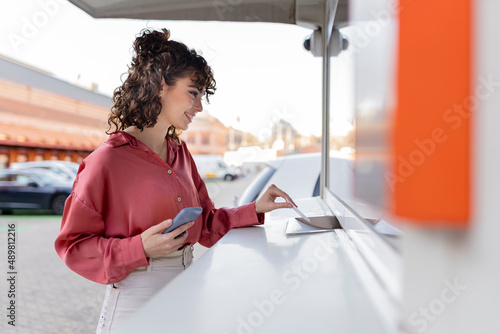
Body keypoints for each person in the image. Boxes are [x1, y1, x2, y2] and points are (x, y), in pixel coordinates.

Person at [54, 28, 295, 333]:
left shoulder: (180, 153)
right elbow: (73, 246)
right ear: (159, 86)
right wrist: (138, 247)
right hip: (136, 302)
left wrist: (255, 209)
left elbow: (206, 225)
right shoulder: (107, 161)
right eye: (193, 93)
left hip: (188, 289)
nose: (200, 107)